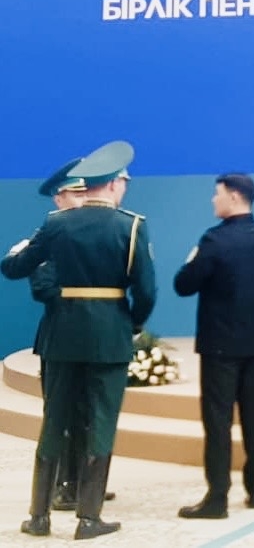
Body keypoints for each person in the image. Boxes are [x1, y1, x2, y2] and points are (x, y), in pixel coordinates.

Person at [1, 140, 156, 540]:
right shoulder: (132, 226)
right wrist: (131, 324)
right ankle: (89, 518)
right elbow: (147, 291)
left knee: (54, 422)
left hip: (61, 336)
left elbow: (15, 268)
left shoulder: (55, 225)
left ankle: (39, 516)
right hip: (109, 336)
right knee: (101, 423)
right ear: (113, 185)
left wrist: (18, 252)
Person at [175, 173, 254, 519]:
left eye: (217, 194)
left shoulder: (214, 242)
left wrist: (192, 259)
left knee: (218, 422)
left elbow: (184, 285)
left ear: (234, 197)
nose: (212, 200)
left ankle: (217, 497)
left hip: (220, 346)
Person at [28, 159, 120, 512]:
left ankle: (83, 482)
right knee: (60, 415)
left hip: (90, 334)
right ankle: (62, 486)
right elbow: (43, 285)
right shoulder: (49, 236)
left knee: (88, 414)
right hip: (61, 334)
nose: (82, 199)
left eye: (85, 192)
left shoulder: (102, 230)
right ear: (58, 199)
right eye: (74, 193)